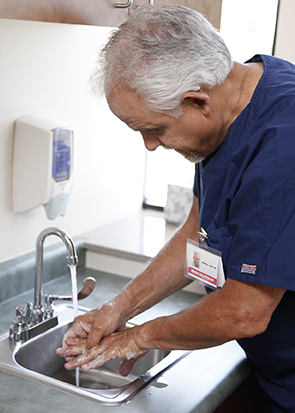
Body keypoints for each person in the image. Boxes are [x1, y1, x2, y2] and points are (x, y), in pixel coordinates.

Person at [56, 5, 295, 412]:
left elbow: (244, 312)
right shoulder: (230, 109)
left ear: (198, 100)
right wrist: (119, 307)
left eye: (154, 129)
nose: (150, 144)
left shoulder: (281, 146)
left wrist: (138, 336)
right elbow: (197, 232)